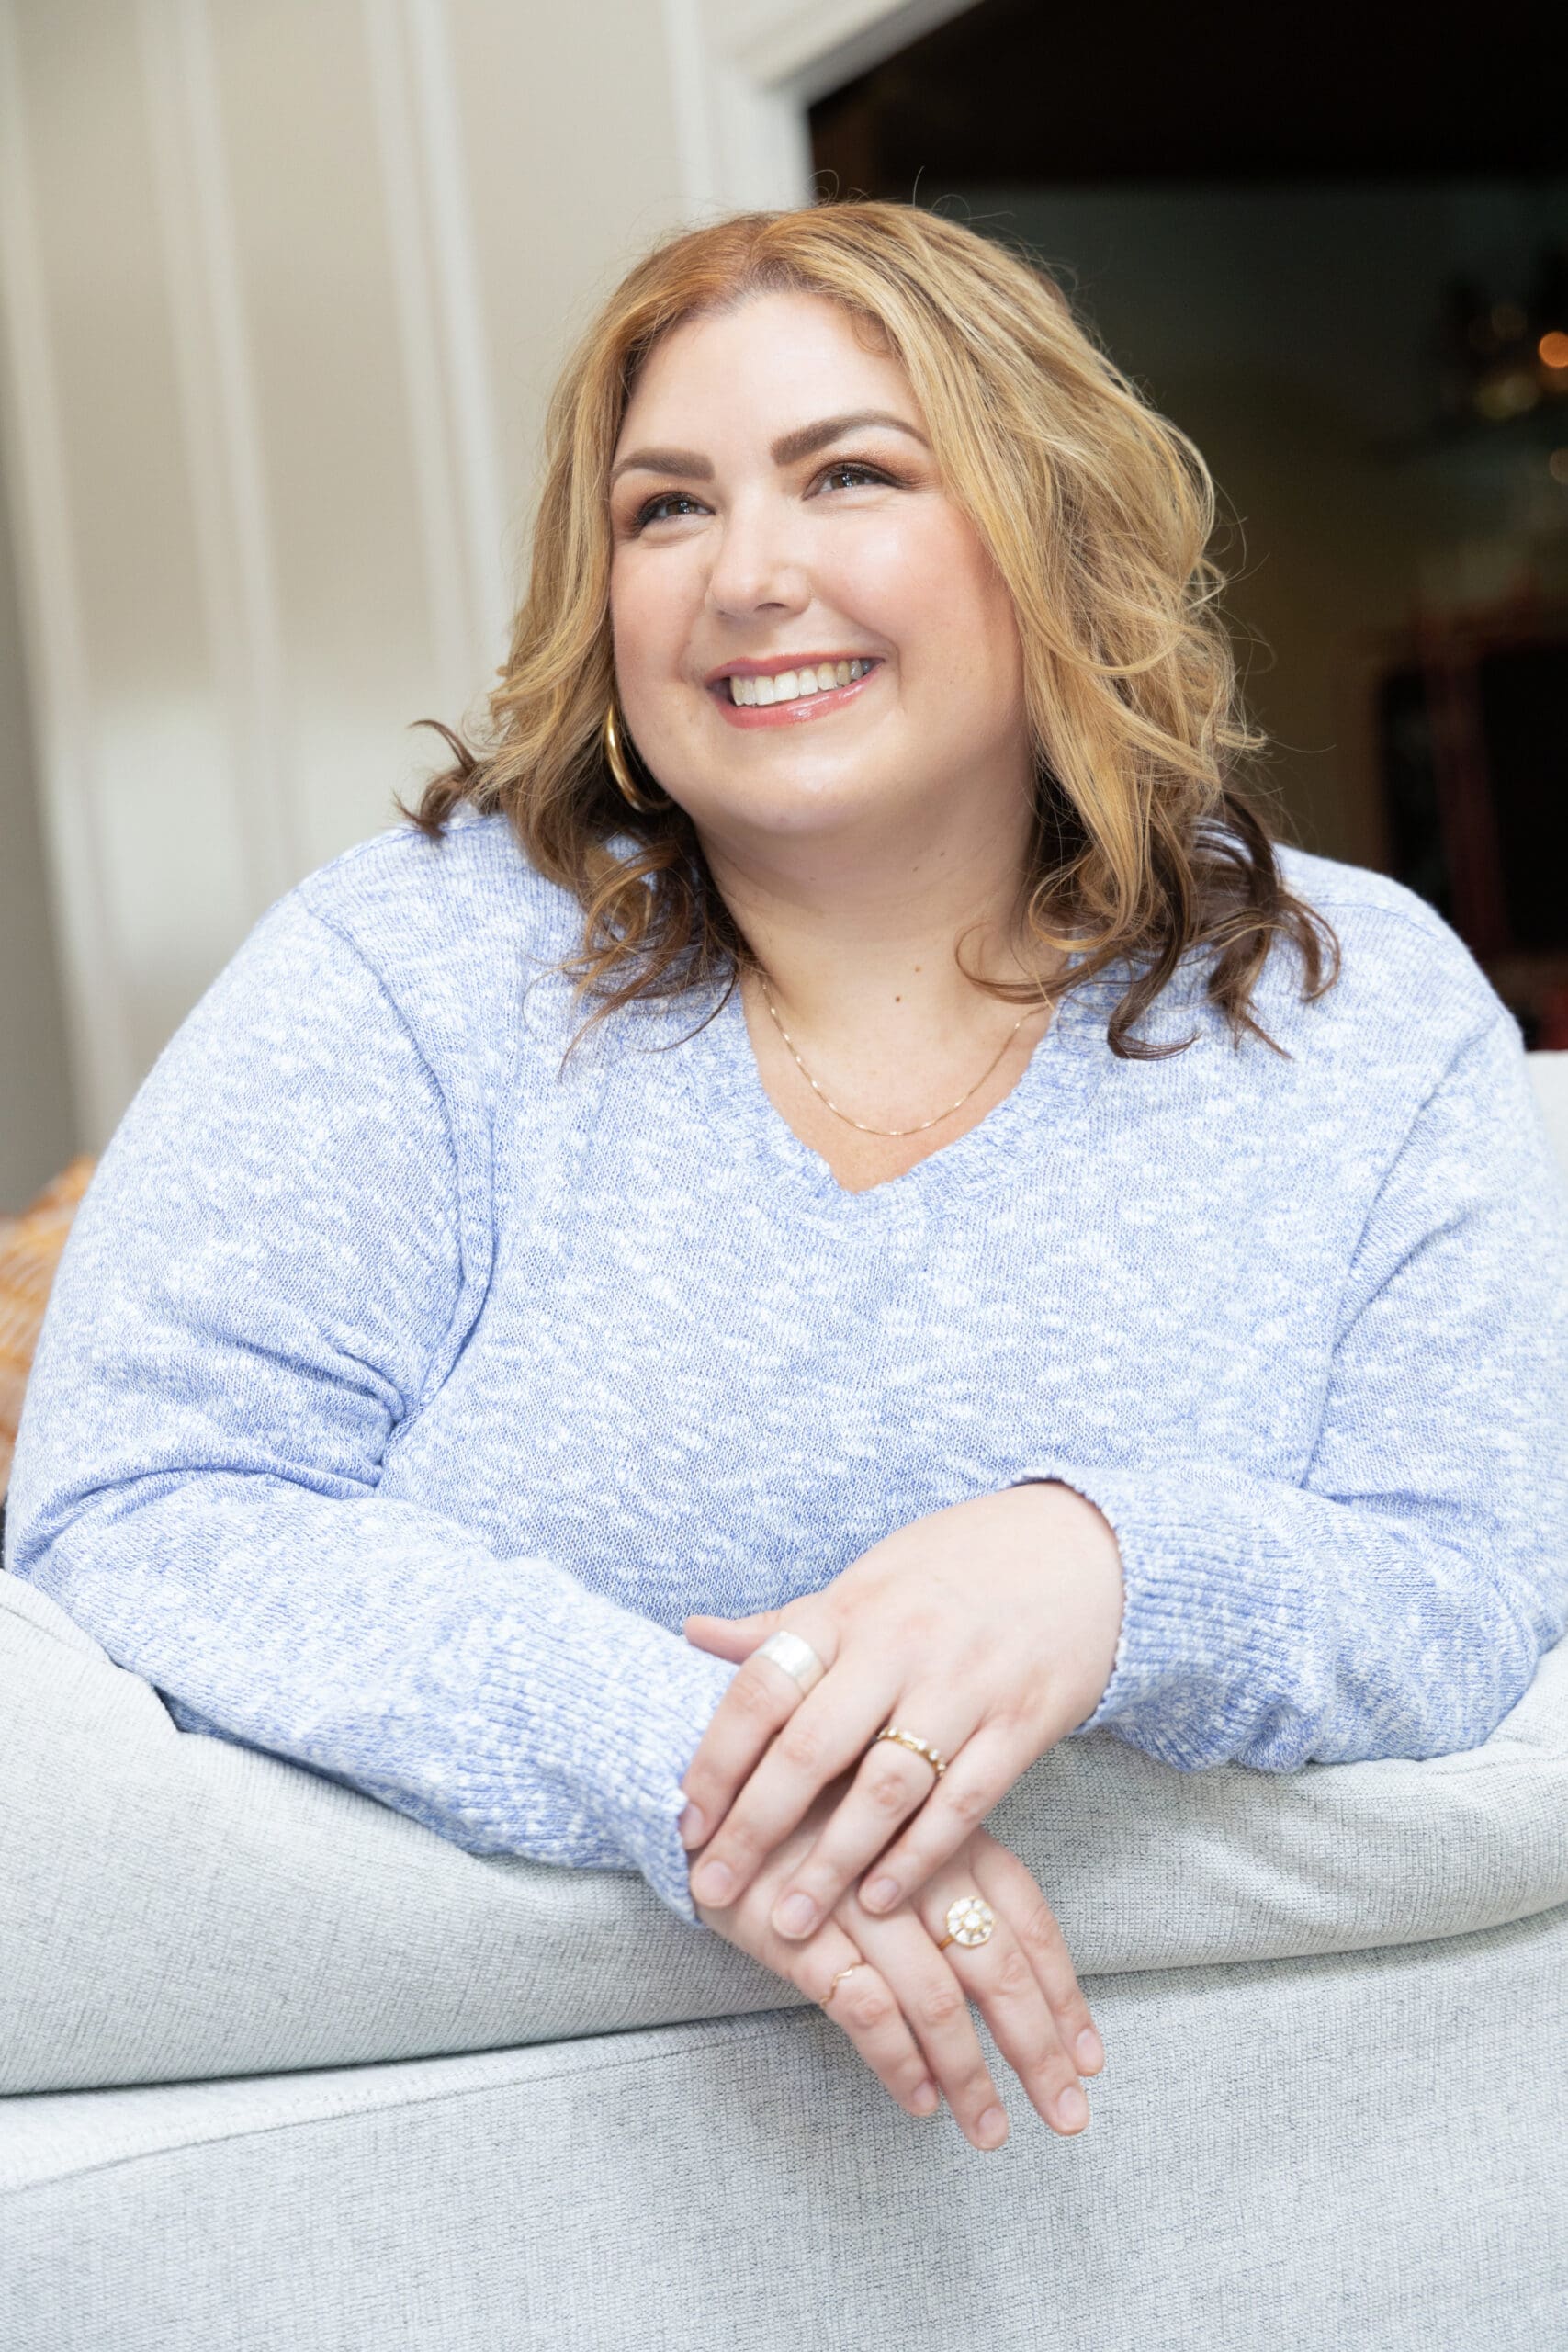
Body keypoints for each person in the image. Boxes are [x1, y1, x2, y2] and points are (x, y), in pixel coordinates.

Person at [6, 202, 1566, 2158]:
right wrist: (697, 1770)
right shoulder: (408, 970)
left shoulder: (1358, 1009)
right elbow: (136, 1505)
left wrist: (1103, 1569)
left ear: (1048, 530)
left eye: (850, 474)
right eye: (665, 508)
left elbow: (1473, 1581)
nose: (747, 575)